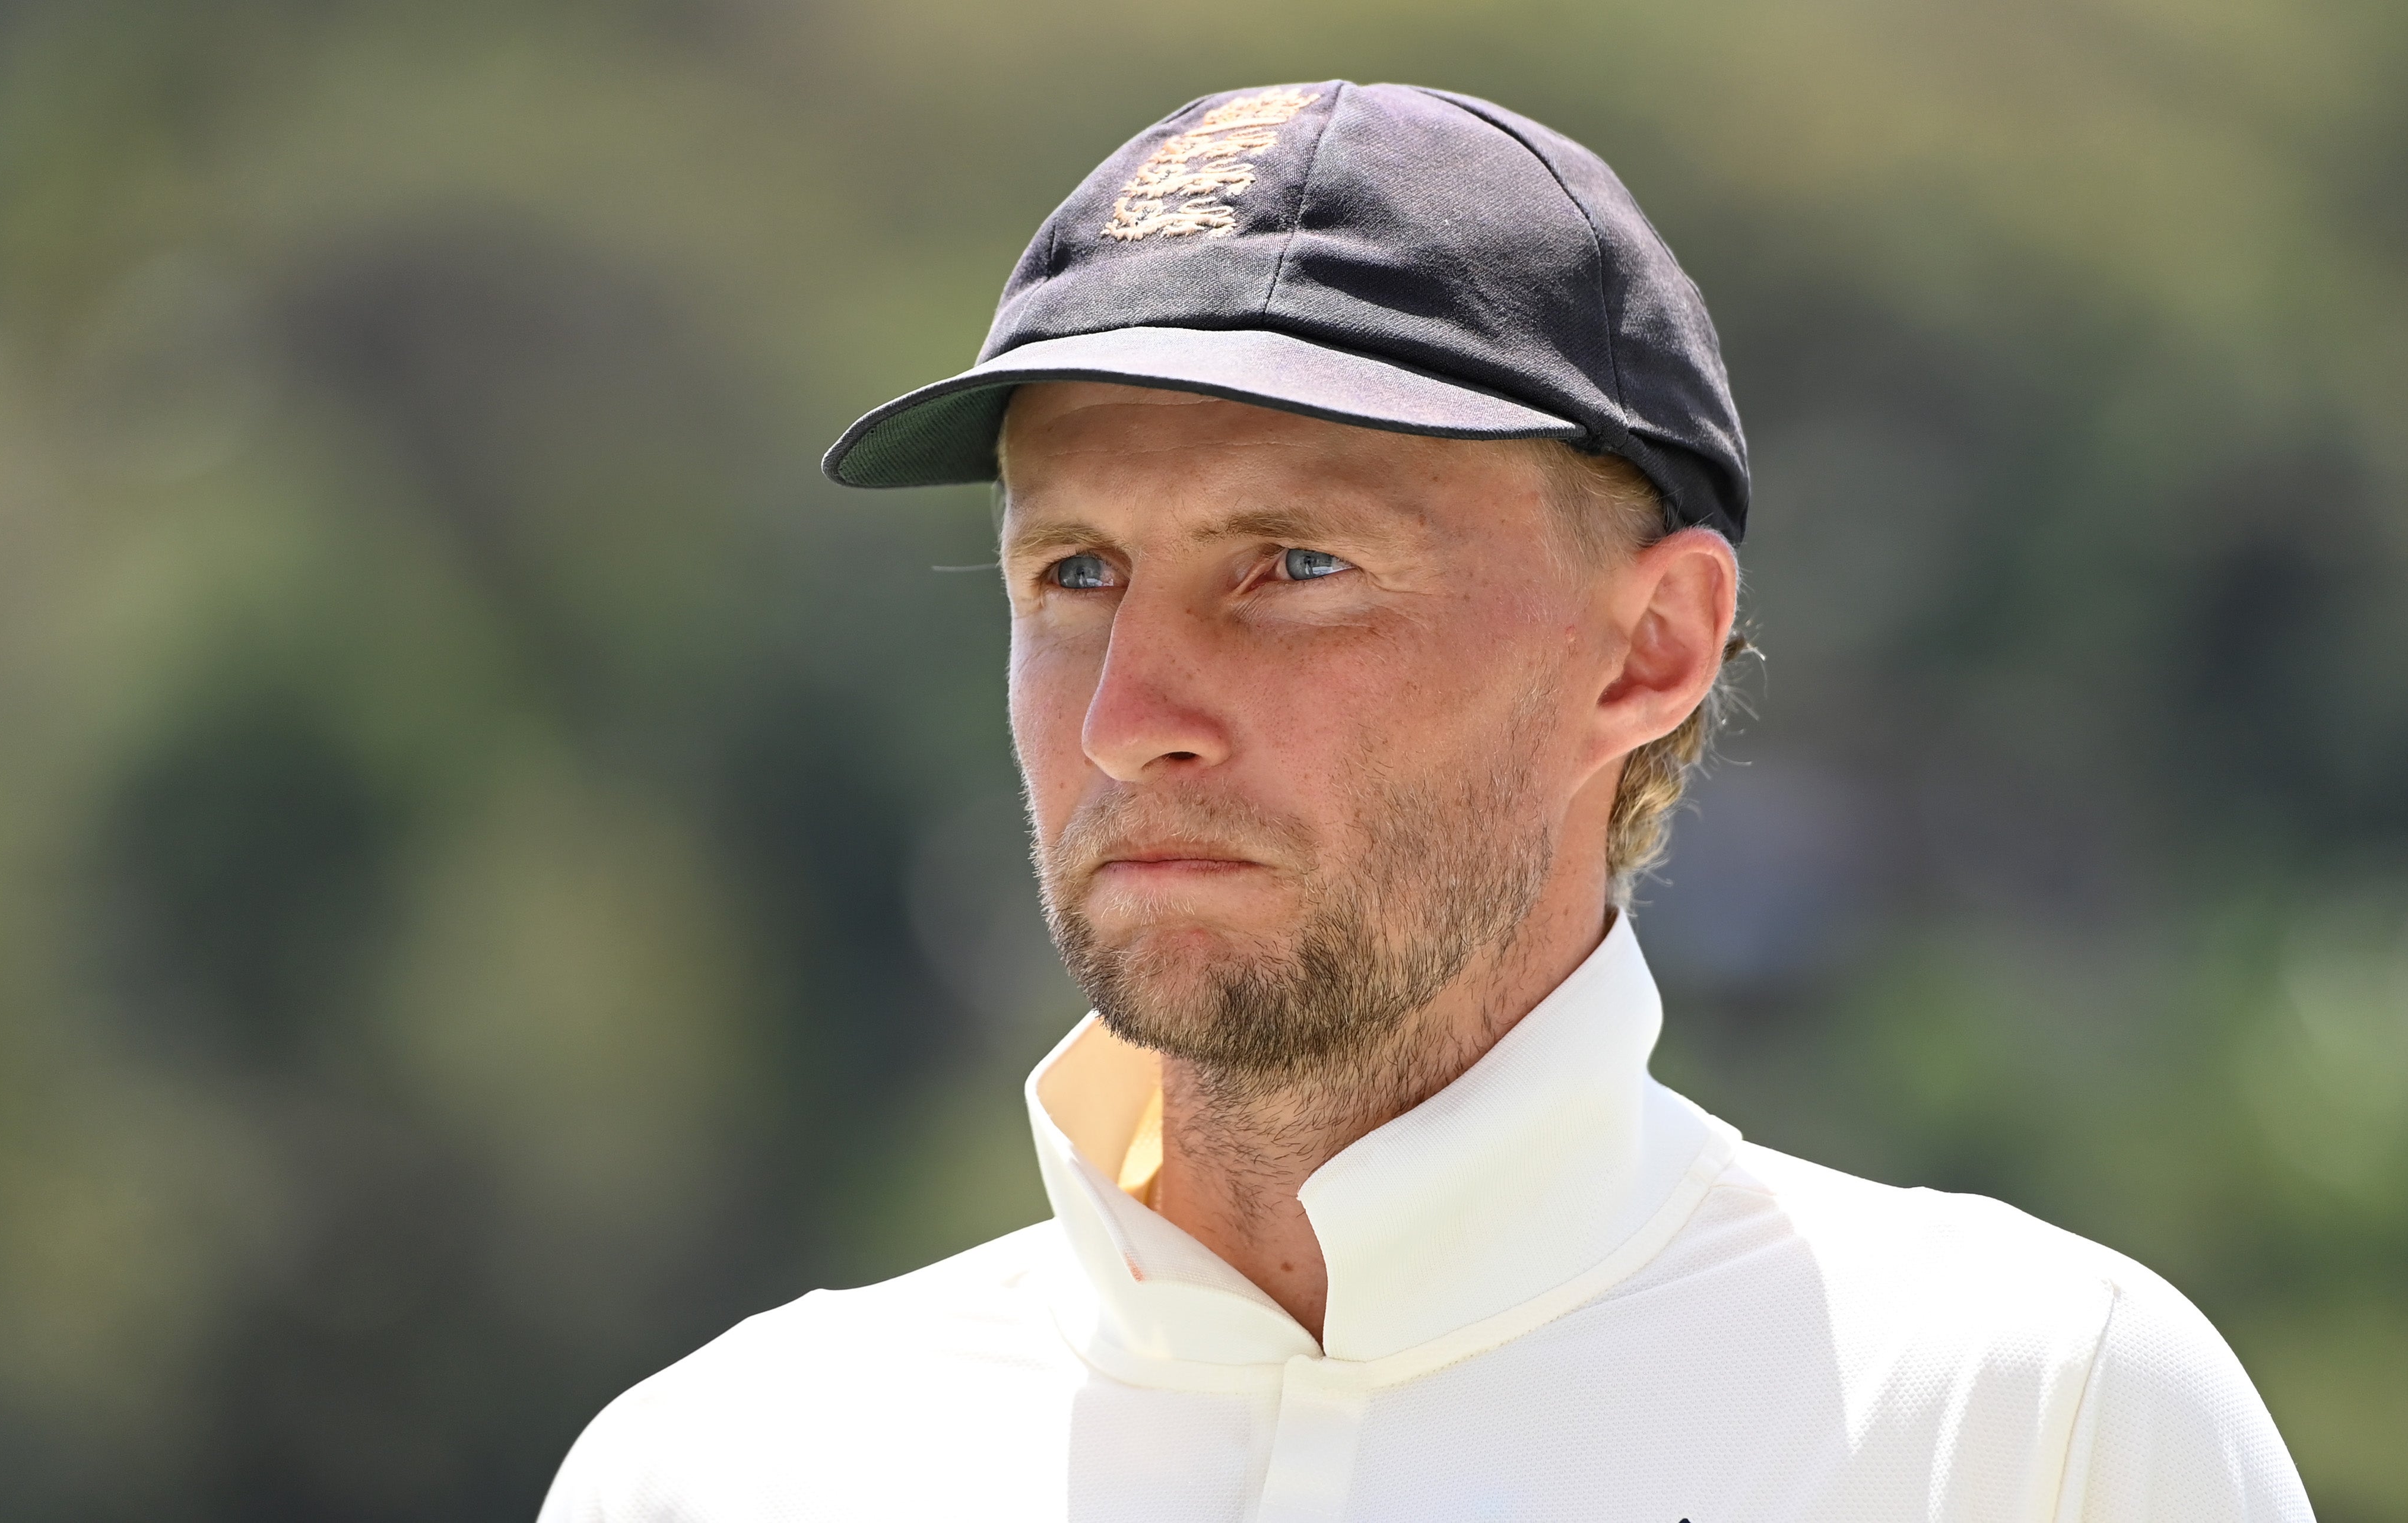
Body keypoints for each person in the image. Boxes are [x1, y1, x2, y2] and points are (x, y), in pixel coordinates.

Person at [538, 81, 2310, 1522]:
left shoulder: (2027, 1423)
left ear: (1647, 650)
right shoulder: (719, 1470)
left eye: (1294, 566)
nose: (1128, 721)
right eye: (1072, 572)